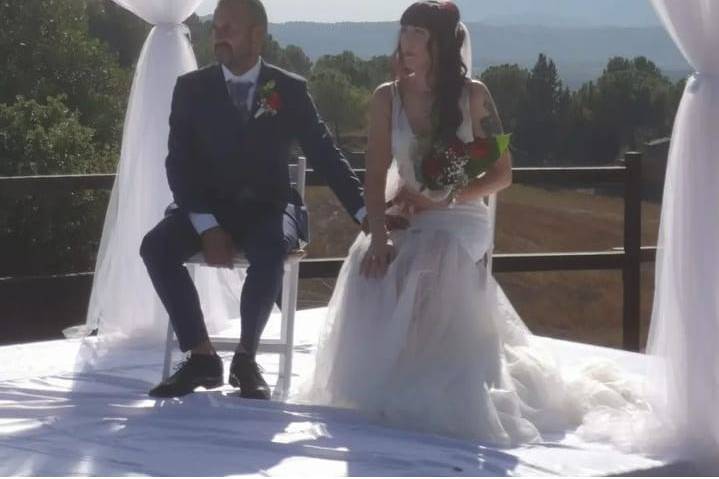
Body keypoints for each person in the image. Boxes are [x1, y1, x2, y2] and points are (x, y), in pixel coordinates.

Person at [295, 1, 640, 446]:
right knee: (369, 260)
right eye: (403, 30)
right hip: (411, 209)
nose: (405, 41)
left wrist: (446, 195)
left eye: (417, 32)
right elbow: (376, 172)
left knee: (432, 259)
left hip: (460, 215)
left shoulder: (474, 95)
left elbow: (503, 174)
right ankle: (389, 375)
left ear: (439, 43)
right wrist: (378, 234)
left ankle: (432, 376)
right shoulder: (387, 98)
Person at [140, 0, 404, 400]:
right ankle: (201, 355)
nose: (219, 34)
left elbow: (325, 154)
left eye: (230, 27)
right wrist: (207, 226)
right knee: (155, 247)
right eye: (217, 27)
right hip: (207, 209)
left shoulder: (289, 90)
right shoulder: (191, 89)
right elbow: (178, 166)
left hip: (269, 207)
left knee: (271, 248)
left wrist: (367, 213)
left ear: (257, 35)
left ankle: (246, 358)